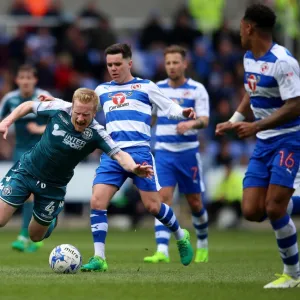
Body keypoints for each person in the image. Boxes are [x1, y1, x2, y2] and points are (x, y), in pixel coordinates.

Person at [79, 43, 196, 272]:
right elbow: (81, 107)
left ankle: (181, 237)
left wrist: (183, 113)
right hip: (113, 153)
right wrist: (54, 105)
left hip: (140, 152)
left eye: (117, 64)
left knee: (153, 206)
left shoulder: (145, 86)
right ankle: (99, 258)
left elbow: (168, 107)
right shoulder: (102, 90)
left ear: (129, 63)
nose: (113, 68)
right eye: (109, 65)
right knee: (97, 201)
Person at [216, 4, 300, 288]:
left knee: (275, 209)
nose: (239, 30)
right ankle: (287, 200)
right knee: (252, 210)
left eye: (241, 25)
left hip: (289, 139)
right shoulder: (250, 57)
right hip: (264, 143)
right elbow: (251, 93)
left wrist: (256, 126)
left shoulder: (283, 61)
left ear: (249, 27)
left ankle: (293, 274)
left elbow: (296, 105)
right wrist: (235, 119)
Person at [0, 88, 153, 244]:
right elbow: (28, 106)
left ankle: (50, 221)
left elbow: (120, 154)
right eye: (77, 113)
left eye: (86, 115)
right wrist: (7, 121)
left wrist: (134, 167)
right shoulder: (59, 108)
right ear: (72, 107)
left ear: (94, 113)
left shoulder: (98, 133)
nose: (80, 118)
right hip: (26, 170)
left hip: (54, 187)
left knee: (35, 236)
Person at [143, 45, 209, 264]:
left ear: (184, 64)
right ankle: (162, 250)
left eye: (175, 62)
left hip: (188, 153)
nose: (171, 66)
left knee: (195, 203)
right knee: (163, 200)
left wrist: (191, 122)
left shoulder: (197, 89)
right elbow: (150, 118)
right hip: (163, 153)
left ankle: (202, 243)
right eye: (168, 63)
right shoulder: (157, 88)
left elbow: (205, 120)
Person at [0, 64, 50, 252]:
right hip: (20, 151)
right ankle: (32, 235)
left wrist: (38, 129)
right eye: (22, 77)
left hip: (42, 151)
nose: (26, 81)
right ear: (17, 80)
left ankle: (26, 235)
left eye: (29, 78)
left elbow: (59, 124)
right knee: (28, 193)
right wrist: (4, 144)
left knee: (33, 194)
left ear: (35, 80)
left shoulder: (43, 97)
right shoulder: (10, 99)